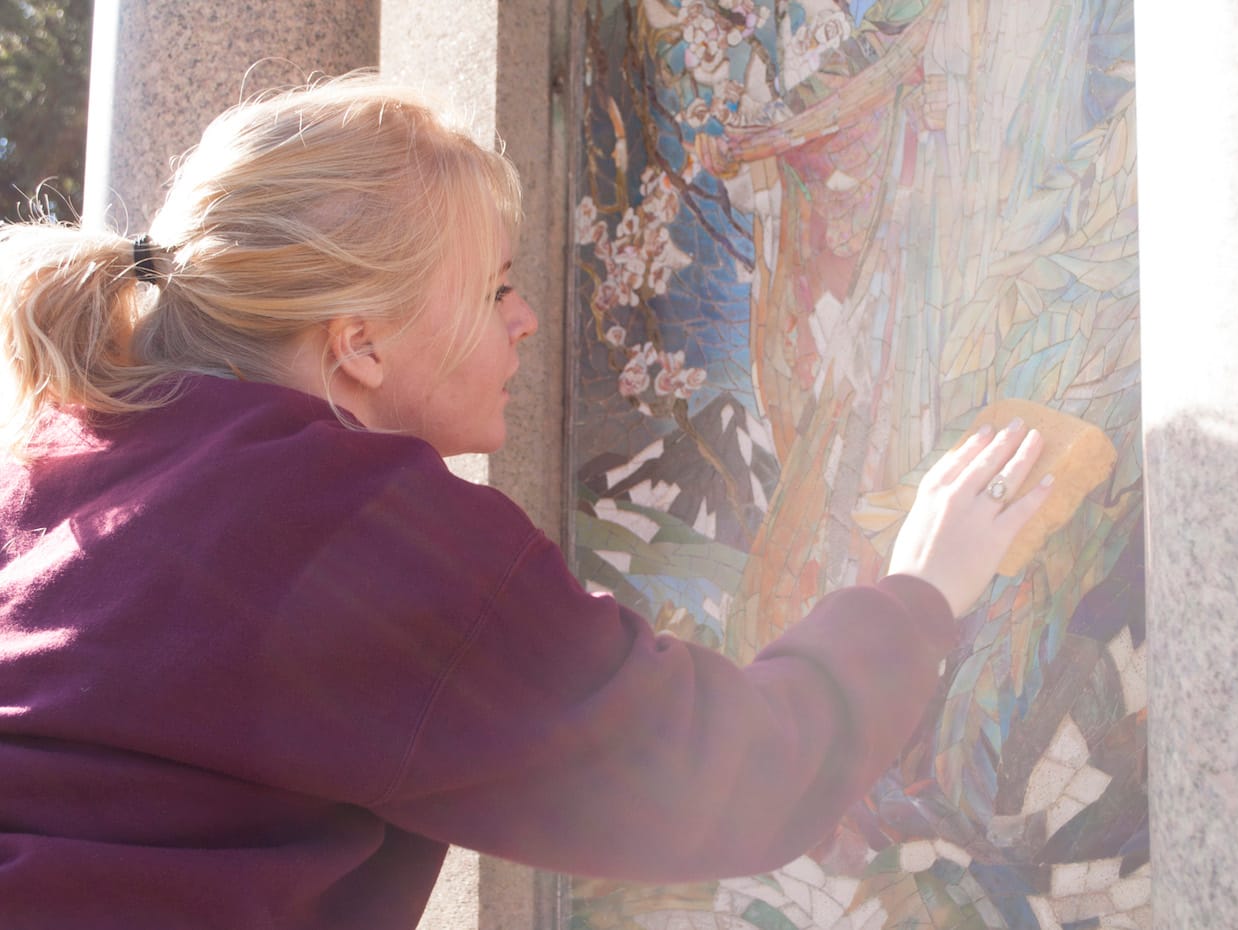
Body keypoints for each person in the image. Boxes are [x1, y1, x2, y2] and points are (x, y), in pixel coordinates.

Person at [0, 74, 1052, 930]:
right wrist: (921, 589)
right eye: (494, 285)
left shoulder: (71, 460)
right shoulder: (345, 524)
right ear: (359, 340)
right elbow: (726, 779)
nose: (527, 320)